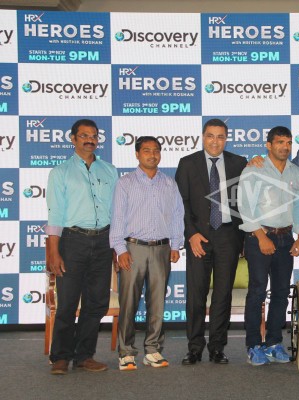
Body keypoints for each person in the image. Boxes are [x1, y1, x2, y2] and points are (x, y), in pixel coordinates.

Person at [45, 119, 118, 375]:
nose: (90, 139)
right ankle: (60, 357)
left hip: (103, 241)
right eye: (84, 135)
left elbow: (116, 212)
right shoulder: (60, 172)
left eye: (94, 135)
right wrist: (54, 251)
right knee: (67, 302)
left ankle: (84, 356)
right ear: (73, 139)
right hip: (72, 241)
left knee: (96, 302)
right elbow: (55, 213)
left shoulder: (110, 171)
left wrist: (117, 246)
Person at [175, 119, 247, 365]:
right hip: (199, 237)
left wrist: (243, 237)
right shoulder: (188, 163)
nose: (215, 141)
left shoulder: (239, 163)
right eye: (210, 136)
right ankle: (194, 347)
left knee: (223, 294)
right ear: (202, 137)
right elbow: (181, 203)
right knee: (196, 294)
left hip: (228, 235)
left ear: (226, 138)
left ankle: (217, 347)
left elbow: (246, 201)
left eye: (220, 136)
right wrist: (191, 234)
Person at [110, 136, 184, 370]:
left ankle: (153, 350)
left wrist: (175, 245)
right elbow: (117, 217)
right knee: (129, 302)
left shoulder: (169, 184)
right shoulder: (125, 183)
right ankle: (126, 352)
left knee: (157, 304)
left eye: (156, 150)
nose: (152, 155)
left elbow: (177, 215)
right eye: (146, 150)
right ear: (137, 154)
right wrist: (120, 249)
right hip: (133, 249)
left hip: (162, 249)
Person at [237, 126, 299, 366]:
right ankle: (254, 345)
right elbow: (245, 206)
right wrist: (261, 236)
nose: (285, 147)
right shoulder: (254, 169)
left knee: (281, 292)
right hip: (259, 236)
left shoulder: (296, 172)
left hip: (286, 238)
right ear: (268, 145)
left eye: (288, 142)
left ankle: (274, 342)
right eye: (279, 142)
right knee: (257, 291)